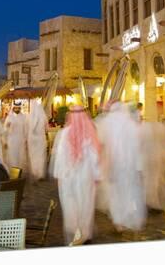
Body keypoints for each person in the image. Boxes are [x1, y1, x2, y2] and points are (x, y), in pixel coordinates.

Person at [50, 105, 101, 245]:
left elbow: (60, 157)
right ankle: (83, 232)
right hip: (85, 177)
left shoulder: (64, 133)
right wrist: (97, 175)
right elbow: (95, 158)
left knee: (70, 203)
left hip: (68, 177)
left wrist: (59, 175)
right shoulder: (90, 133)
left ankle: (75, 231)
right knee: (86, 203)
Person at [96, 102, 146, 233]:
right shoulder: (130, 124)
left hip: (114, 164)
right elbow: (138, 144)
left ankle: (118, 222)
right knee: (128, 192)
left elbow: (102, 144)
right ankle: (127, 218)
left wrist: (103, 164)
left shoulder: (107, 122)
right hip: (129, 166)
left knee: (115, 193)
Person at [4, 101, 28, 171]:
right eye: (16, 108)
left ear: (20, 108)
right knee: (12, 156)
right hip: (11, 141)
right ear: (13, 108)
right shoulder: (9, 117)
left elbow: (26, 129)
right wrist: (7, 127)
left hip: (21, 140)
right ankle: (12, 172)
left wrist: (26, 139)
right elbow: (5, 130)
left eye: (18, 108)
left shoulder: (24, 117)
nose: (17, 109)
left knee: (20, 156)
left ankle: (20, 172)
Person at [27, 99, 48, 181]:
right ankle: (40, 173)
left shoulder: (30, 116)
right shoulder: (43, 116)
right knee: (41, 155)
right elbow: (46, 129)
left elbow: (28, 128)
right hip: (41, 139)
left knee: (33, 156)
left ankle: (35, 172)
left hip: (32, 139)